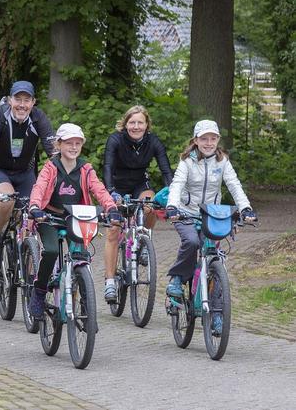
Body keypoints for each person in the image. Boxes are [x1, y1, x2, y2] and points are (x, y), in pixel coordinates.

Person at [165, 119, 257, 334]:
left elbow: (234, 184)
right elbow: (177, 184)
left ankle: (217, 314)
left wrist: (245, 208)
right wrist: (172, 206)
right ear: (196, 140)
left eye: (213, 138)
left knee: (216, 261)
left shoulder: (222, 161)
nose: (208, 143)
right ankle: (177, 280)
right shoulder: (187, 161)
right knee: (192, 241)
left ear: (217, 140)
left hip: (212, 216)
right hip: (186, 214)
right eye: (204, 139)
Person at [27, 123, 121, 319]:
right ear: (59, 145)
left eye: (78, 143)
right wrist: (35, 207)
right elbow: (39, 188)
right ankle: (39, 291)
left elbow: (99, 190)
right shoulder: (51, 167)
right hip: (48, 216)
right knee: (51, 251)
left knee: (81, 257)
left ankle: (87, 308)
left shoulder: (85, 169)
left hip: (75, 217)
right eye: (69, 143)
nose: (73, 147)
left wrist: (111, 208)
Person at [0, 81, 56, 273]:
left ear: (33, 102)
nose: (22, 104)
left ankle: (28, 263)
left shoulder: (38, 118)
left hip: (25, 172)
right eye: (17, 99)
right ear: (10, 100)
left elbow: (54, 152)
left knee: (31, 213)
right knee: (6, 200)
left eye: (26, 100)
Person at [102, 105, 173, 302]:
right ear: (125, 124)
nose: (136, 126)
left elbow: (166, 170)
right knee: (114, 230)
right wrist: (110, 192)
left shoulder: (154, 141)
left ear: (146, 125)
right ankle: (109, 282)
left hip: (140, 185)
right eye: (132, 122)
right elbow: (107, 166)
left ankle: (143, 240)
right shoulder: (115, 140)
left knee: (149, 205)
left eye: (140, 122)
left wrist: (172, 195)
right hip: (116, 185)